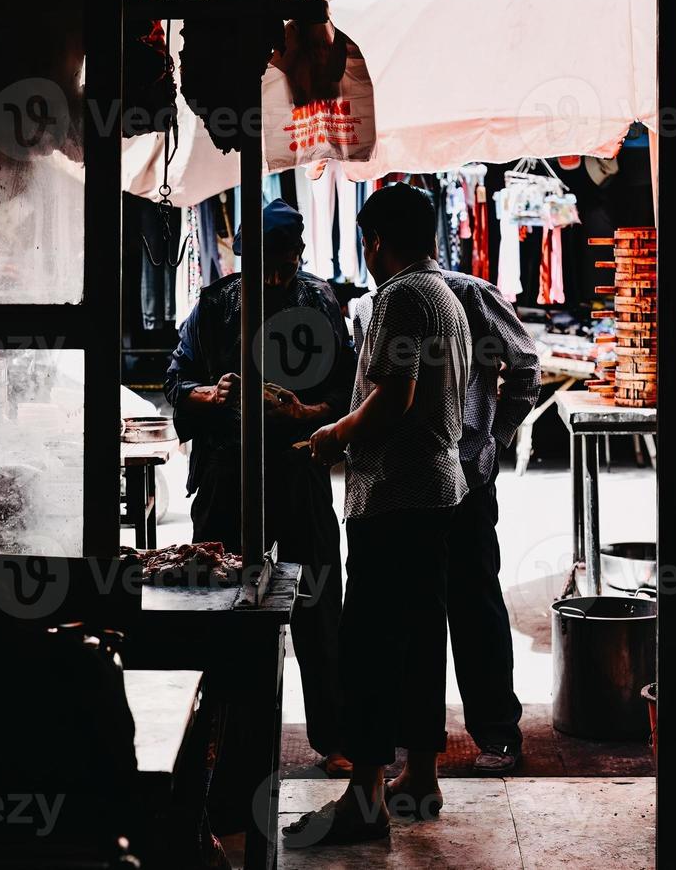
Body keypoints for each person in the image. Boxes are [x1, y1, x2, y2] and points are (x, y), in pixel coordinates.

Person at [286, 183, 472, 847]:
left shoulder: (399, 297)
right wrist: (329, 418)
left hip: (394, 495)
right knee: (421, 640)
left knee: (367, 647)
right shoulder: (447, 295)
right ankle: (420, 778)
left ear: (373, 240)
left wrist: (331, 438)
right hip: (439, 490)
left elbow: (395, 397)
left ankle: (364, 796)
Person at [164, 198, 357, 774]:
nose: (273, 276)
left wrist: (307, 411)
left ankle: (335, 738)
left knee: (320, 607)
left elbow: (348, 394)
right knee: (220, 606)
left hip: (299, 471)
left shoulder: (321, 301)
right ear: (241, 257)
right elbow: (178, 378)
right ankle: (217, 743)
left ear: (299, 255)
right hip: (227, 474)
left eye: (284, 263)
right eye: (261, 265)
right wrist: (210, 394)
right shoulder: (215, 305)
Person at [352, 246, 542, 775]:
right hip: (408, 488)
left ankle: (497, 733)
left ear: (377, 243)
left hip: (467, 477)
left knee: (474, 600)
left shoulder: (473, 293)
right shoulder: (373, 306)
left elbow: (525, 368)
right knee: (411, 614)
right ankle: (410, 747)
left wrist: (492, 438)